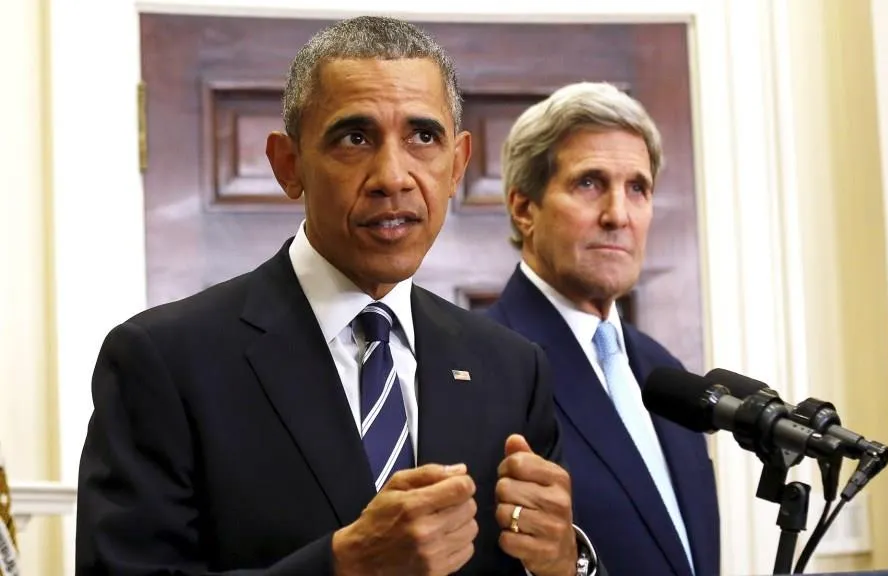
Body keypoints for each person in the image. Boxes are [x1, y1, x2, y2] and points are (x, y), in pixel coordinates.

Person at [75, 17, 603, 576]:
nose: (392, 177)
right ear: (288, 165)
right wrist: (342, 564)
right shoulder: (164, 362)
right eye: (355, 138)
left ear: (457, 165)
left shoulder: (511, 369)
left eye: (423, 137)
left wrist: (566, 564)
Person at [485, 82, 720, 576]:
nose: (618, 215)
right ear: (524, 209)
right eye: (589, 184)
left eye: (638, 188)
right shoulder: (477, 364)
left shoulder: (664, 370)